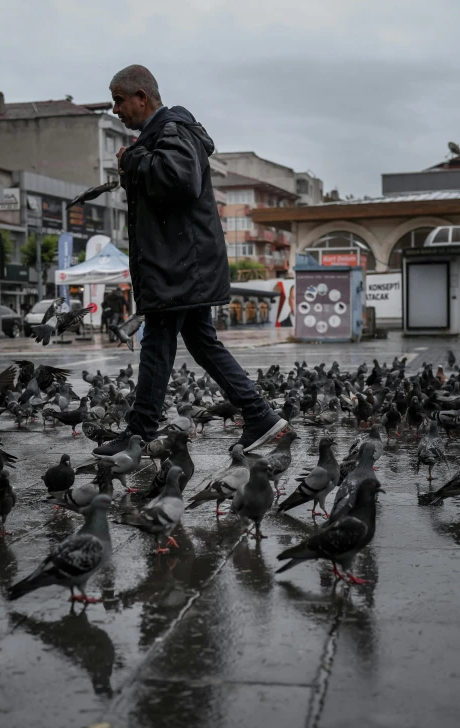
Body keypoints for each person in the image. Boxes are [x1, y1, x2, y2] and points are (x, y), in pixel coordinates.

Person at [104, 65, 285, 454]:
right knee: (201, 342)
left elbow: (181, 180)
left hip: (179, 266)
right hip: (183, 264)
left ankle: (139, 435)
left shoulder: (171, 130)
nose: (115, 108)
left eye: (119, 100)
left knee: (157, 343)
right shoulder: (163, 134)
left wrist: (133, 161)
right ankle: (260, 416)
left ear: (142, 97)